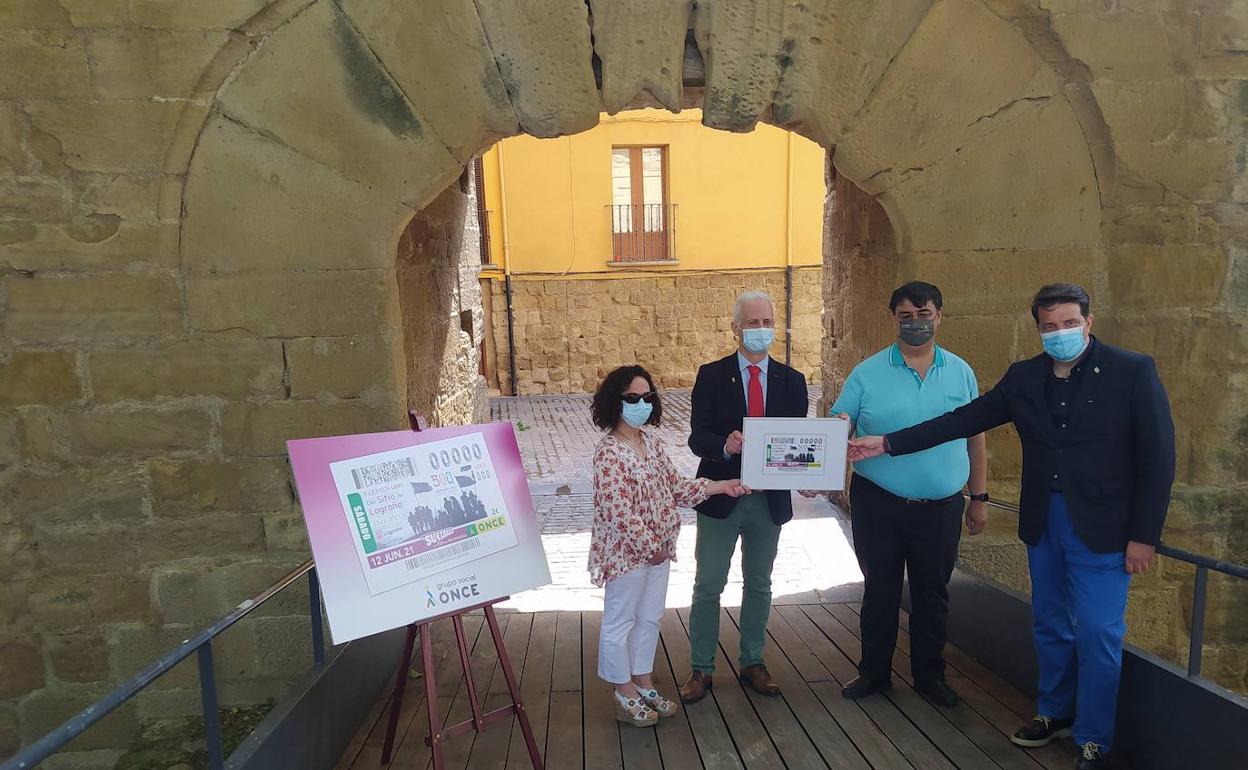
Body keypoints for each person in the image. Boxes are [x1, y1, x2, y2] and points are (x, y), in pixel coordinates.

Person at [848, 283, 1175, 770]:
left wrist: (1144, 535)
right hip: (1045, 522)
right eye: (1048, 325)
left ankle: (1094, 736)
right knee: (1048, 624)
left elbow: (1158, 458)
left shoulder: (1132, 371)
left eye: (1068, 323)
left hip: (1105, 529)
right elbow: (961, 420)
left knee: (1099, 632)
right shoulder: (1025, 378)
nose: (1059, 332)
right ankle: (1053, 712)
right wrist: (888, 443)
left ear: (1089, 321)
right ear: (1037, 327)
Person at [828, 281, 988, 708]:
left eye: (924, 313)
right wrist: (836, 433)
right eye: (906, 315)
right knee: (880, 589)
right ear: (894, 319)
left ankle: (929, 676)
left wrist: (979, 497)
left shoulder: (961, 372)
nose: (915, 322)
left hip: (940, 507)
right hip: (879, 502)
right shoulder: (867, 372)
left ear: (939, 315)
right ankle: (874, 673)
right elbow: (841, 422)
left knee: (932, 592)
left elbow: (976, 438)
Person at [589, 365, 749, 728]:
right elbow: (618, 510)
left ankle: (643, 681)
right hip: (627, 555)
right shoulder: (609, 453)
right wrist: (649, 546)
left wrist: (722, 486)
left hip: (659, 550)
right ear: (615, 402)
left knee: (649, 618)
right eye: (632, 398)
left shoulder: (651, 444)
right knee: (620, 621)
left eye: (647, 397)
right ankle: (622, 689)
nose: (641, 403)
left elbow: (677, 487)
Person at [680, 290, 809, 703]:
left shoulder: (793, 381)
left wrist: (812, 466)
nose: (760, 329)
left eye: (766, 321)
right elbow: (696, 437)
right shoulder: (711, 375)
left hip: (768, 502)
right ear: (735, 328)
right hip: (721, 496)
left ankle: (753, 661)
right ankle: (701, 668)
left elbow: (798, 443)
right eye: (752, 323)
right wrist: (724, 445)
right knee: (708, 584)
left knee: (759, 584)